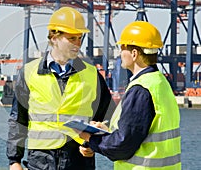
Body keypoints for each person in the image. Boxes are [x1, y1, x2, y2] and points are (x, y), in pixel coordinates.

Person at [6, 6, 114, 170]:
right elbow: (18, 119)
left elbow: (107, 118)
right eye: (72, 38)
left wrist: (93, 144)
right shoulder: (29, 73)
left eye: (80, 38)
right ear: (54, 37)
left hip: (78, 161)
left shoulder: (92, 75)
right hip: (40, 162)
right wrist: (14, 161)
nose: (78, 43)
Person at [77, 21, 181, 169]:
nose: (120, 53)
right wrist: (107, 132)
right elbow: (141, 132)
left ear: (134, 54)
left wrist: (90, 138)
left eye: (122, 48)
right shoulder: (160, 82)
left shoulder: (140, 89)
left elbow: (122, 147)